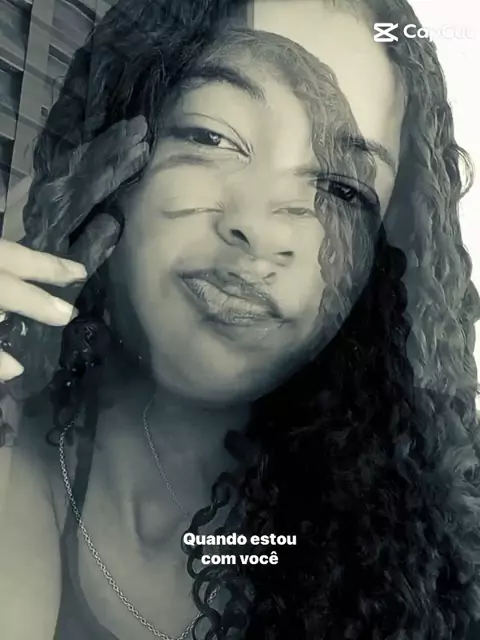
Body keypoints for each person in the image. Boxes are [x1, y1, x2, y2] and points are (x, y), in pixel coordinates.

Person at [0, 0, 479, 638]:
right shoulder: (27, 429)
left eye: (342, 189)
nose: (259, 228)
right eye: (211, 136)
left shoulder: (436, 553)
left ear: (381, 266)